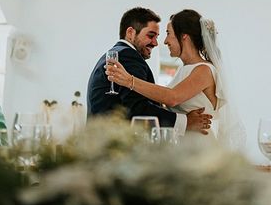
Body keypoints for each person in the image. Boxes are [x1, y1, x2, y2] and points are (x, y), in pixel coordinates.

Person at [106, 9, 245, 146]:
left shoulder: (204, 69)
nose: (165, 41)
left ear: (184, 36)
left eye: (168, 33)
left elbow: (172, 97)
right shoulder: (184, 70)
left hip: (200, 146)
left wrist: (129, 81)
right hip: (183, 143)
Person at [87, 7, 212, 136]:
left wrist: (131, 81)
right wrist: (185, 122)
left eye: (161, 36)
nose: (157, 43)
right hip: (115, 145)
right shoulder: (127, 56)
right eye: (151, 35)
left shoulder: (119, 53)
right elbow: (137, 108)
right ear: (130, 33)